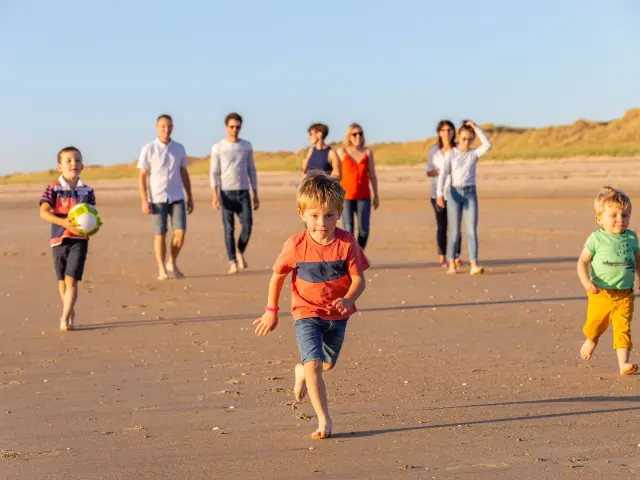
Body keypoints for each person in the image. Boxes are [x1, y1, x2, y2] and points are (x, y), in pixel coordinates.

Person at [253, 172, 369, 439]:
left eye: (328, 215)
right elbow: (278, 276)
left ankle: (300, 370)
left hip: (338, 316)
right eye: (314, 216)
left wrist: (349, 299)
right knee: (315, 366)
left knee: (326, 365)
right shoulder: (295, 245)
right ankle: (324, 420)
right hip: (306, 313)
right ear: (302, 214)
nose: (321, 223)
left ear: (339, 213)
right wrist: (271, 312)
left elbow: (359, 279)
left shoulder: (346, 242)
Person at [577, 186, 640, 376]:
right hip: (600, 292)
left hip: (625, 294)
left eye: (625, 215)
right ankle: (591, 339)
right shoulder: (596, 239)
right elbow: (582, 262)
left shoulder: (631, 237)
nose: (620, 219)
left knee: (622, 328)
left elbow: (638, 260)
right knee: (595, 323)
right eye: (614, 215)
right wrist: (587, 283)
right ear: (599, 218)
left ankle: (623, 364)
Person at [39, 146, 96, 331]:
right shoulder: (53, 188)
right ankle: (69, 310)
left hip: (79, 240)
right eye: (69, 160)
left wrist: (92, 227)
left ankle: (64, 317)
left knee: (72, 279)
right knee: (62, 281)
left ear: (82, 166)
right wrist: (64, 223)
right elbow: (44, 213)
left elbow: (92, 215)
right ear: (59, 166)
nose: (74, 164)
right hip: (58, 239)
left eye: (77, 160)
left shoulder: (87, 191)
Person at [138, 114, 194, 281]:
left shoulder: (179, 148)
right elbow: (142, 176)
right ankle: (161, 268)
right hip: (157, 197)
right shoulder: (148, 149)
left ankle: (172, 261)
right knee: (160, 234)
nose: (166, 129)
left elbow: (184, 173)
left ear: (172, 128)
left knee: (180, 232)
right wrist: (144, 199)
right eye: (163, 126)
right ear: (157, 127)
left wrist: (189, 196)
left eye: (169, 126)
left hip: (177, 196)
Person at [436, 120, 492, 275]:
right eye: (463, 139)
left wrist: (476, 127)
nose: (466, 142)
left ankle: (474, 263)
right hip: (454, 194)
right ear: (458, 136)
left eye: (469, 139)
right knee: (454, 232)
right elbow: (443, 175)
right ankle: (451, 262)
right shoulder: (451, 154)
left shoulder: (473, 154)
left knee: (472, 231)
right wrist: (440, 194)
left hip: (470, 194)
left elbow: (487, 145)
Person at [210, 112, 259, 274]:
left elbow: (251, 169)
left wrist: (255, 193)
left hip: (243, 192)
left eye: (237, 127)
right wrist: (215, 194)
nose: (234, 129)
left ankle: (239, 251)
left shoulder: (246, 146)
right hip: (226, 193)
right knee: (229, 229)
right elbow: (214, 172)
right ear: (226, 127)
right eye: (231, 127)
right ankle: (232, 260)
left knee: (247, 226)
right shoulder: (218, 147)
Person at [337, 123, 379, 249]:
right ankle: (351, 258)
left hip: (364, 196)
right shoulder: (341, 152)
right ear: (349, 136)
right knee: (348, 229)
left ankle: (358, 255)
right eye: (354, 134)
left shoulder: (367, 152)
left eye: (360, 133)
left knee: (364, 230)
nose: (358, 136)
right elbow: (335, 173)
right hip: (346, 197)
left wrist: (376, 195)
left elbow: (372, 174)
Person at [426, 120, 462, 268]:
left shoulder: (459, 149)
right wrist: (441, 171)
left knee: (456, 226)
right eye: (443, 130)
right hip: (437, 193)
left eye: (449, 130)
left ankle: (456, 255)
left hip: (456, 191)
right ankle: (442, 256)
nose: (446, 133)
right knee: (442, 226)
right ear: (439, 133)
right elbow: (429, 171)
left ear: (453, 132)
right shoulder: (434, 151)